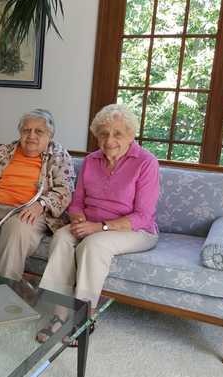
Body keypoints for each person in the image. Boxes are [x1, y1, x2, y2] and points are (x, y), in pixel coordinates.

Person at [36, 104, 160, 344]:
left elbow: (143, 216)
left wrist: (99, 227)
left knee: (92, 245)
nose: (109, 140)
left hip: (134, 230)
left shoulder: (146, 163)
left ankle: (84, 317)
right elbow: (76, 201)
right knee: (61, 238)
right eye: (103, 133)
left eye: (117, 133)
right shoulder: (91, 161)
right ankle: (59, 316)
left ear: (131, 135)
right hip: (91, 223)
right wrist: (77, 217)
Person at [0, 109, 75, 289]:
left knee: (17, 227)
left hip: (31, 207)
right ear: (20, 132)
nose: (31, 136)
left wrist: (41, 204)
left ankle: (3, 294)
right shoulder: (5, 151)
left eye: (39, 131)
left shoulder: (59, 155)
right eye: (26, 130)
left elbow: (65, 190)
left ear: (50, 134)